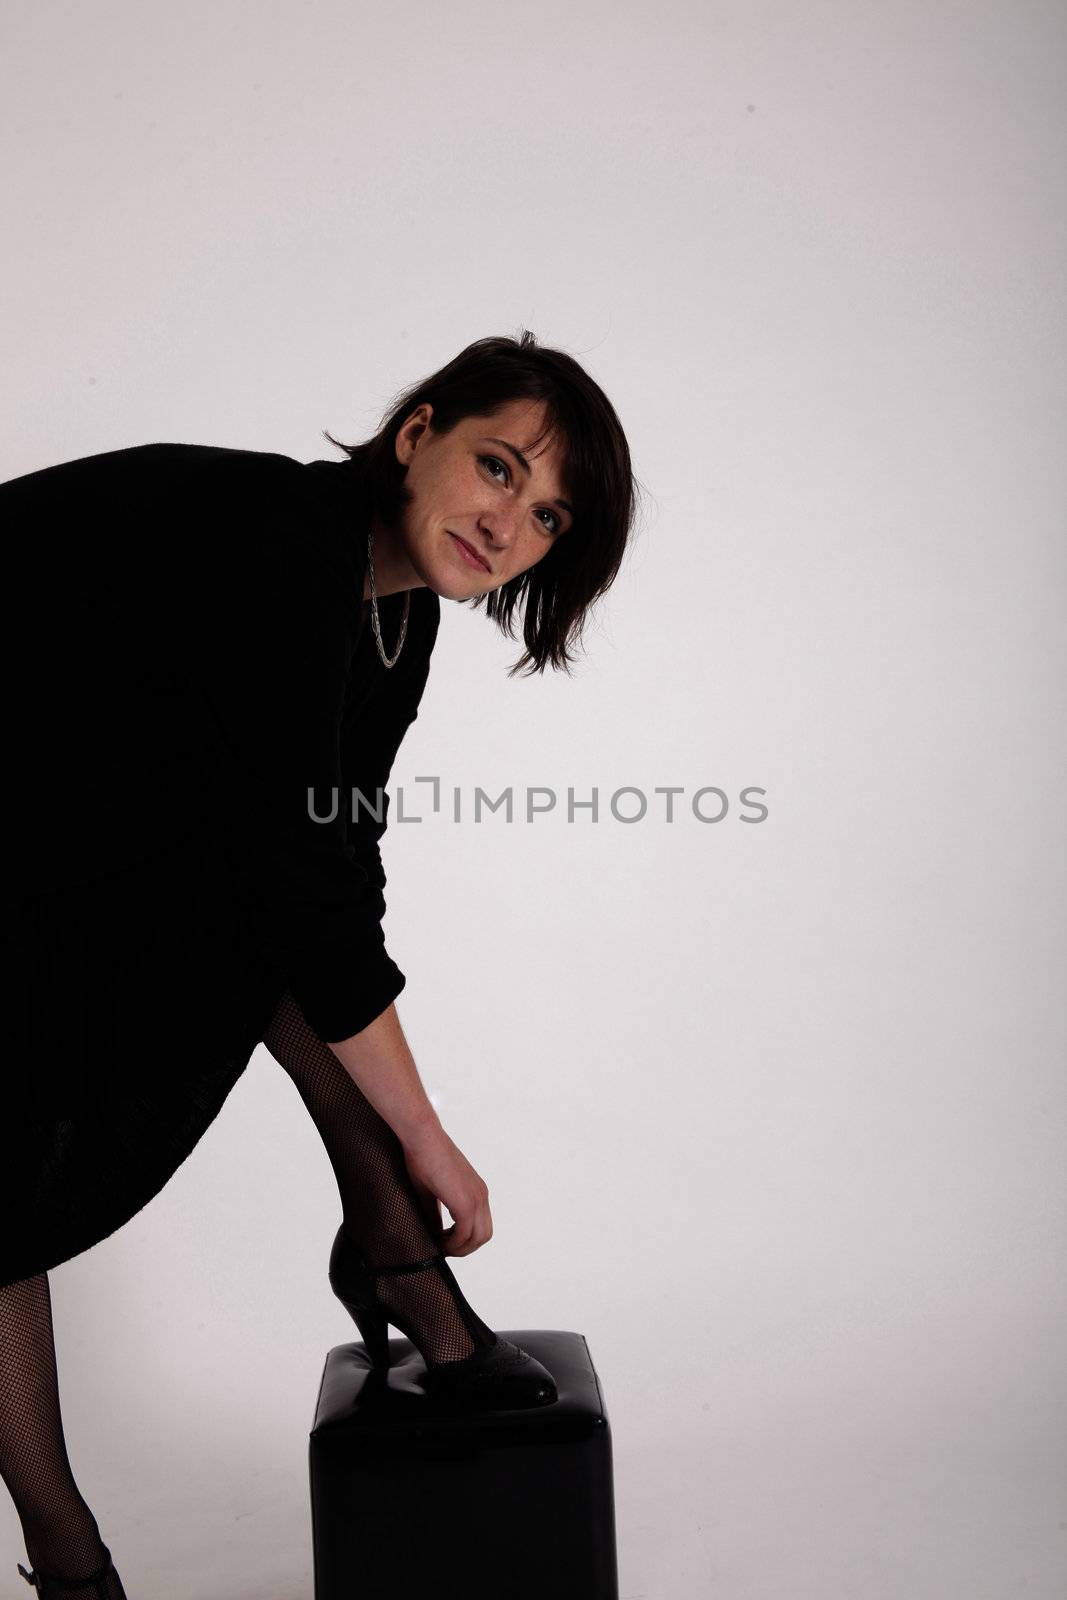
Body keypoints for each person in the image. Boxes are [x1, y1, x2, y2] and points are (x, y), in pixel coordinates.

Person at [0, 330, 638, 1597]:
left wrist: (401, 1130)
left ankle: (391, 1240)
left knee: (261, 905)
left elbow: (331, 854)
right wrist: (427, 1135)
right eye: (497, 468)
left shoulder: (391, 613)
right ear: (417, 435)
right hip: (26, 813)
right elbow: (304, 889)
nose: (510, 523)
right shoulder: (283, 544)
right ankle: (72, 1558)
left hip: (50, 818)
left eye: (548, 514)